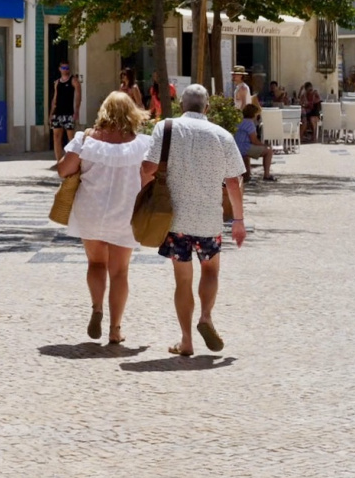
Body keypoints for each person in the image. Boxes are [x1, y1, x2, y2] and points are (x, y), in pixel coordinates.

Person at [141, 85, 247, 357]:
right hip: (208, 219)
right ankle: (206, 317)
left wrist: (142, 197)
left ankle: (186, 340)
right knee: (210, 271)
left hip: (175, 220)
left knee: (182, 280)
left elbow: (148, 169)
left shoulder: (166, 128)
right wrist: (238, 220)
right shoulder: (221, 135)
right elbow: (234, 182)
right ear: (207, 107)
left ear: (181, 106)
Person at [56, 91, 152, 346]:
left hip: (91, 212)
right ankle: (115, 329)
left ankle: (97, 308)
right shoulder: (143, 145)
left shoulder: (86, 140)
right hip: (125, 212)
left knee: (96, 264)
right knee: (119, 271)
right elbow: (149, 178)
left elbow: (63, 170)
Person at [50, 61, 82, 162]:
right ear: (60, 69)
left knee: (71, 137)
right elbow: (55, 98)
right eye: (63, 68)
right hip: (57, 112)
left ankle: (71, 161)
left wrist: (76, 111)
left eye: (67, 68)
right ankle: (59, 160)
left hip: (69, 113)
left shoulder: (73, 80)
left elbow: (78, 96)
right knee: (56, 136)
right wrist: (51, 113)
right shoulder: (57, 83)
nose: (65, 70)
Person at [234, 104, 274, 182]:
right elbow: (254, 140)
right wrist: (265, 145)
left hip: (237, 146)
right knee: (269, 151)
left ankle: (247, 176)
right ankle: (267, 175)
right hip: (244, 147)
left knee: (247, 155)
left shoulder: (239, 121)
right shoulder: (249, 123)